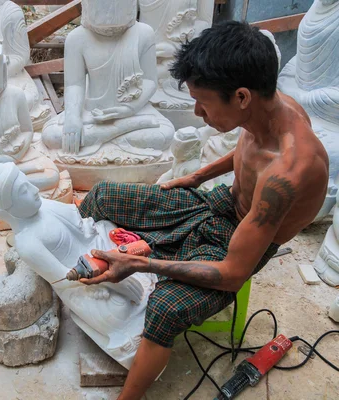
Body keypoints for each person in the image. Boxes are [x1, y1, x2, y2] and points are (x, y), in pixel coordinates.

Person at [78, 21, 329, 399]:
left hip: (237, 245)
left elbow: (231, 274)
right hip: (219, 203)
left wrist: (144, 264)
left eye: (204, 103)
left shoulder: (289, 172)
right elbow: (249, 149)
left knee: (165, 309)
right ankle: (99, 260)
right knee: (104, 195)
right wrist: (197, 176)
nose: (197, 112)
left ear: (241, 97)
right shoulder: (270, 107)